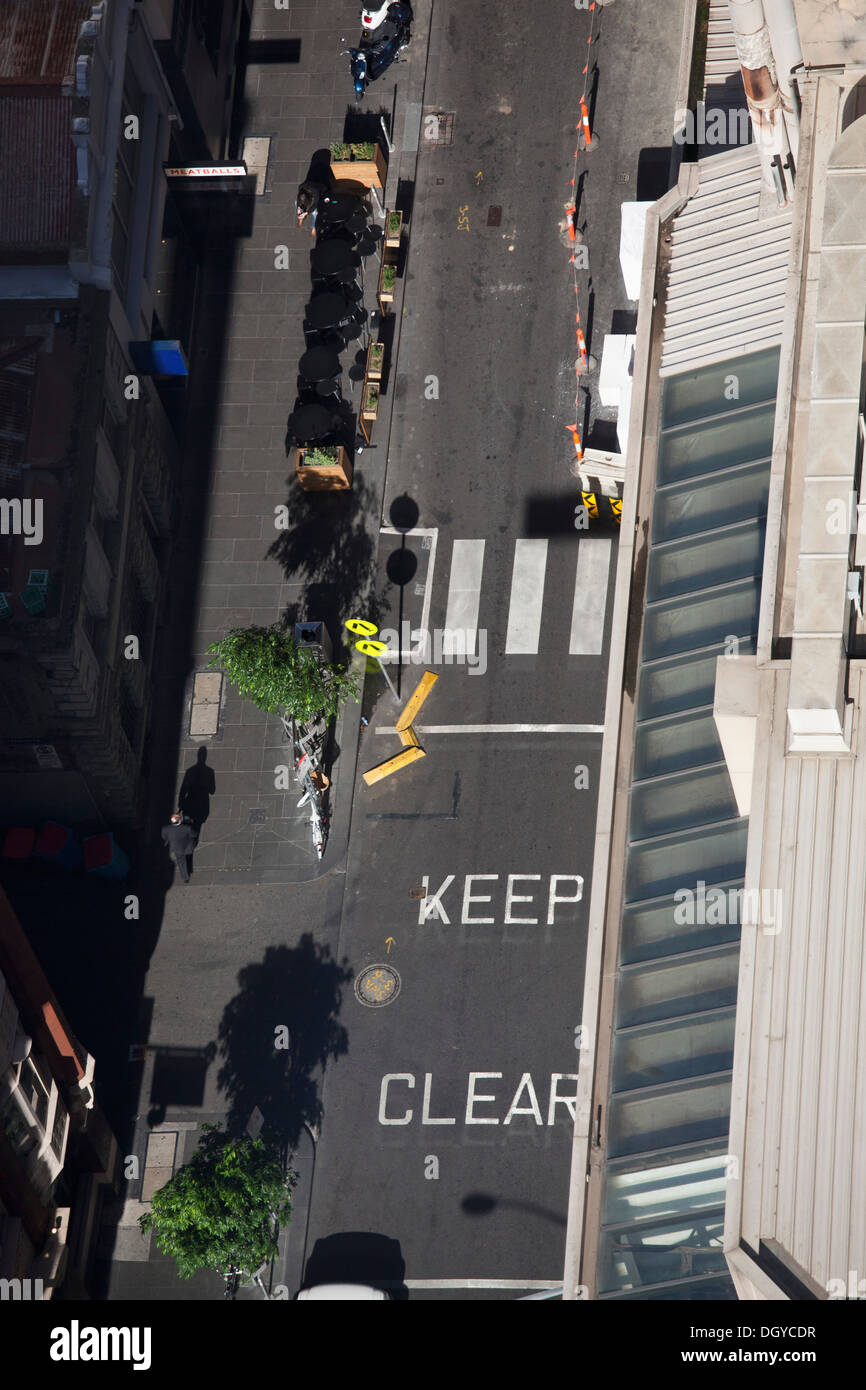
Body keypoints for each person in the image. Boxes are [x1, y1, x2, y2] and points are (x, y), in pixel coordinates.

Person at [161, 811, 196, 884]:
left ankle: (185, 877)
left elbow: (165, 838)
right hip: (187, 847)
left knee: (181, 863)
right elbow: (193, 835)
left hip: (177, 849)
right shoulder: (187, 828)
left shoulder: (166, 829)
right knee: (188, 858)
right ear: (180, 820)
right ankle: (190, 869)